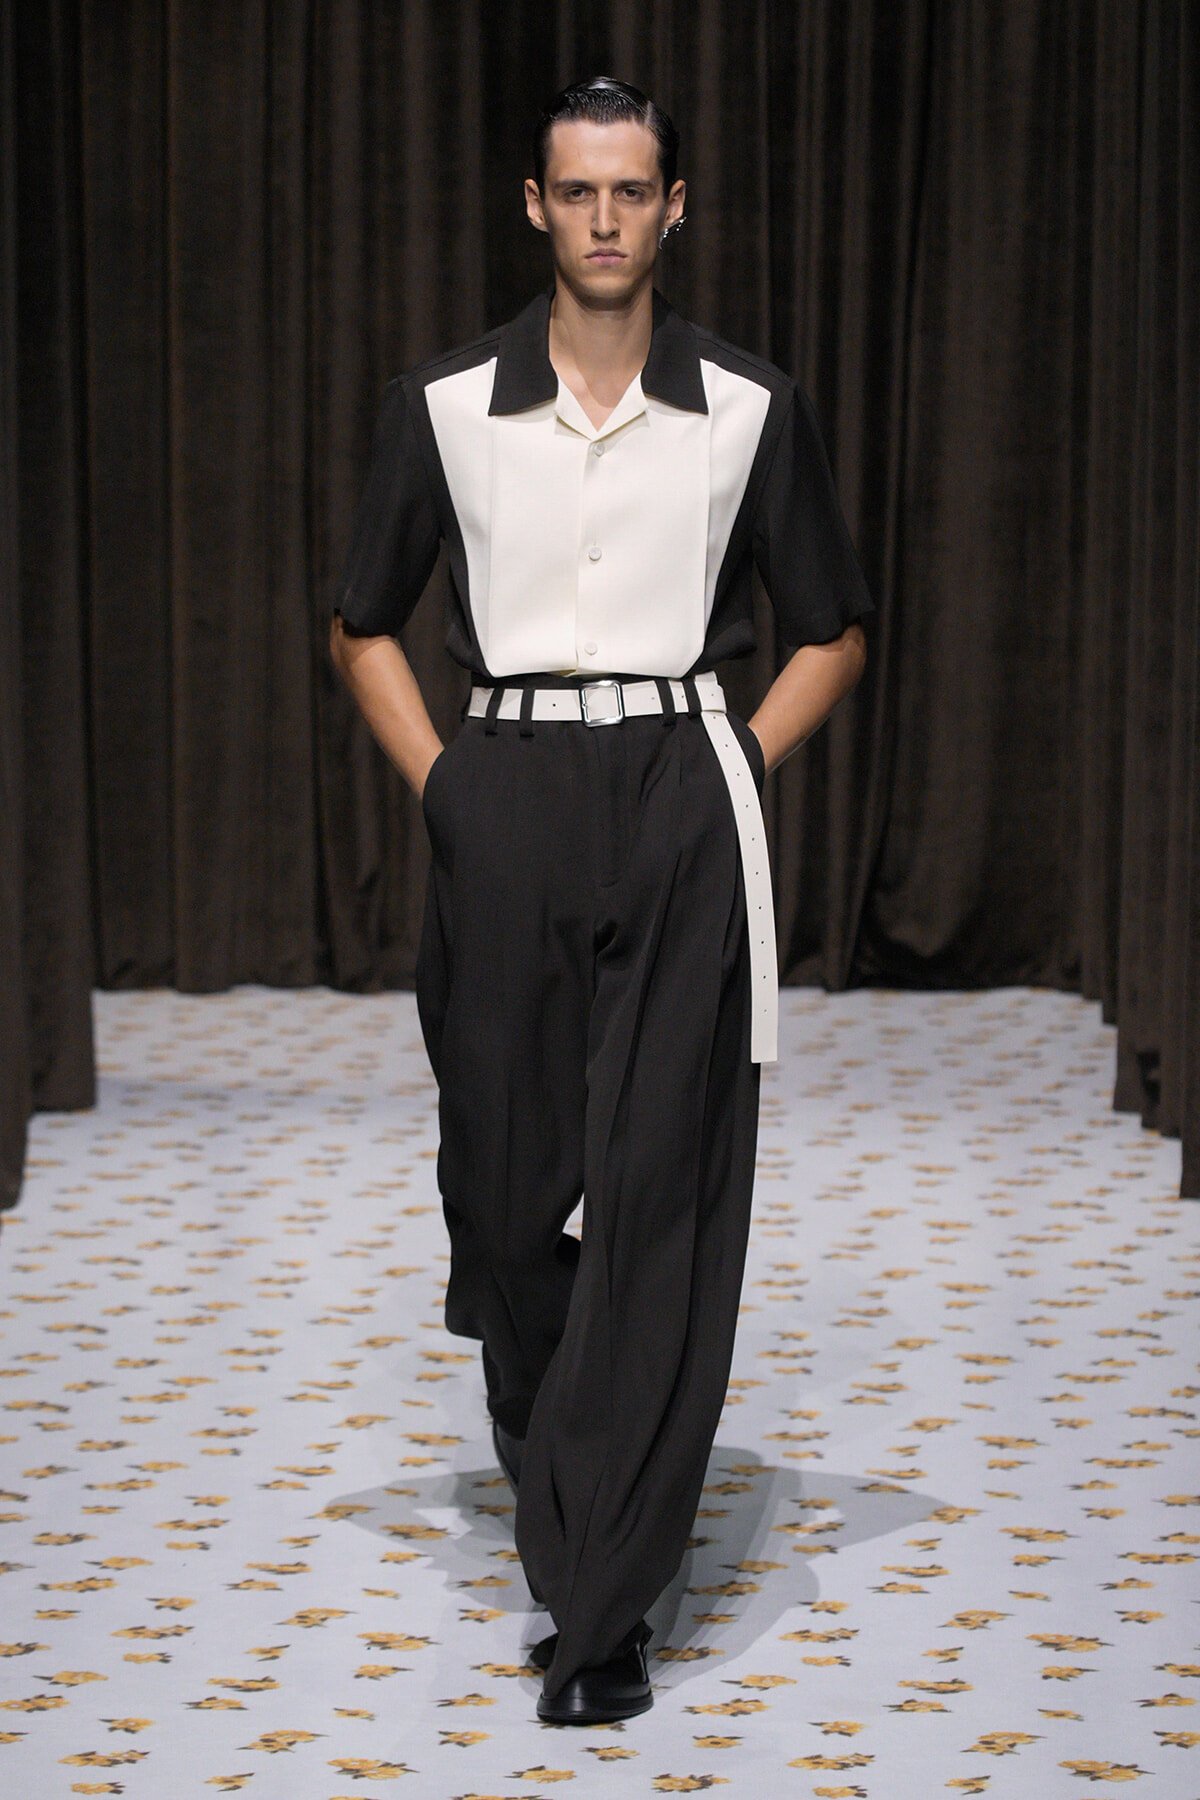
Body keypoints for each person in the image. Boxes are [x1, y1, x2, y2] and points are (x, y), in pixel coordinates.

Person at [330, 75, 872, 1726]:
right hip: (502, 791)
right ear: (536, 206)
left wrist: (731, 778)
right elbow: (365, 620)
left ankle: (600, 1600)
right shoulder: (444, 409)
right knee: (503, 1215)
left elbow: (832, 625)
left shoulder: (748, 413)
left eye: (634, 192)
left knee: (656, 1201)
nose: (607, 220)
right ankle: (579, 1477)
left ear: (676, 205)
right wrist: (449, 792)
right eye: (579, 193)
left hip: (679, 789)